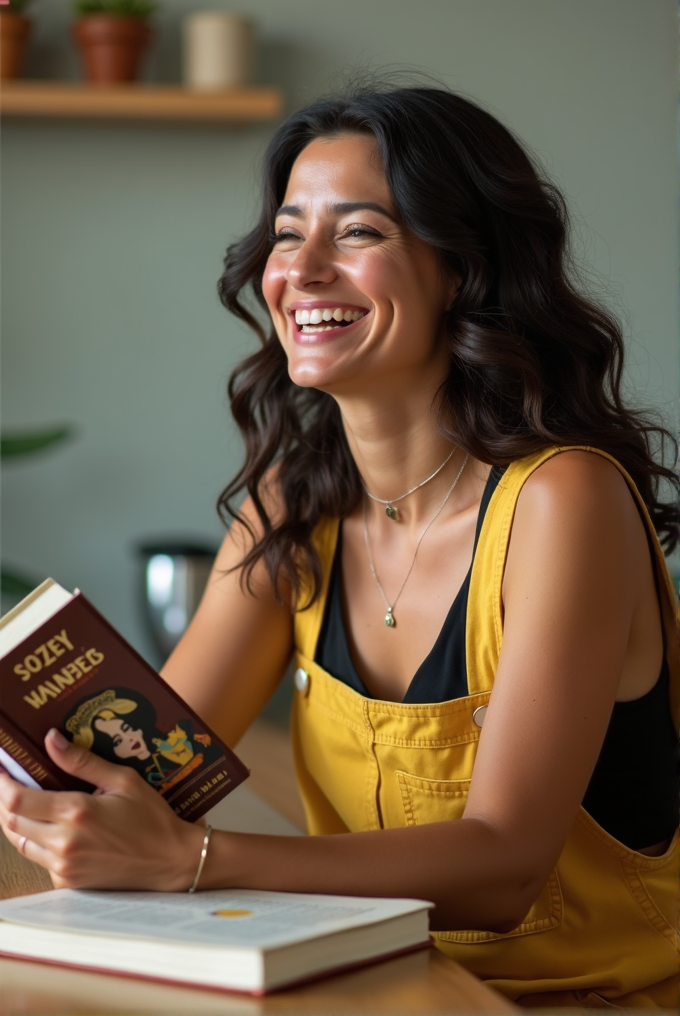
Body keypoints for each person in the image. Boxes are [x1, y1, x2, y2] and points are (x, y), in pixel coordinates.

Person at [0, 86, 678, 1008]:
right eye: (287, 234)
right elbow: (159, 772)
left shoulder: (565, 501)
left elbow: (506, 864)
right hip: (369, 984)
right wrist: (56, 779)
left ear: (463, 268)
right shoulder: (294, 502)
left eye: (358, 233)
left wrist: (196, 860)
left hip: (577, 998)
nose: (303, 270)